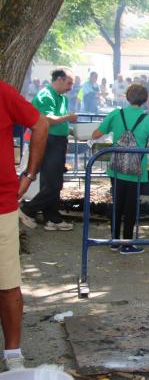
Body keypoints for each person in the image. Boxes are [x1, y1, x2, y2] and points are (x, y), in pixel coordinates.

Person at [0, 81, 48, 371]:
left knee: (7, 284)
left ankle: (13, 354)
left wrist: (29, 174)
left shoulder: (3, 92)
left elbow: (40, 124)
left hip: (2, 205)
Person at [91, 84, 149, 254]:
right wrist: (148, 145)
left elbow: (96, 134)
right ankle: (127, 243)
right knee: (131, 207)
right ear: (145, 100)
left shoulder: (116, 114)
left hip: (116, 168)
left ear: (127, 97)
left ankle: (114, 241)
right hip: (137, 171)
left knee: (117, 204)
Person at [19, 69, 78, 231]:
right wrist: (68, 118)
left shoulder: (62, 98)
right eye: (69, 83)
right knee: (54, 184)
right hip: (48, 141)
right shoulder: (45, 95)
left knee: (50, 181)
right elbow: (47, 120)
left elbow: (59, 120)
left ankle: (52, 217)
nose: (71, 87)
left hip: (58, 141)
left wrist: (72, 131)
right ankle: (27, 209)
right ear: (59, 79)